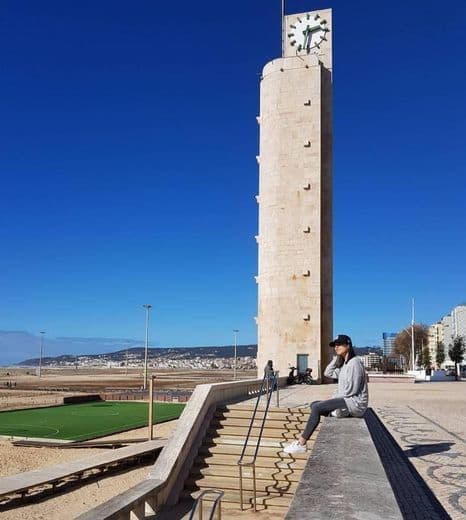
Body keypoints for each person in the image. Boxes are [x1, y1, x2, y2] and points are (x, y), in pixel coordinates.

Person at [283, 334, 368, 454]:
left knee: (318, 408)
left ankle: (301, 443)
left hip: (355, 403)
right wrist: (336, 358)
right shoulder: (345, 365)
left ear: (348, 345)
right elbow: (328, 372)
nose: (336, 347)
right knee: (314, 404)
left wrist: (332, 400)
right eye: (335, 345)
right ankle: (336, 412)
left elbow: (350, 391)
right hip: (347, 401)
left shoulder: (354, 363)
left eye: (339, 344)